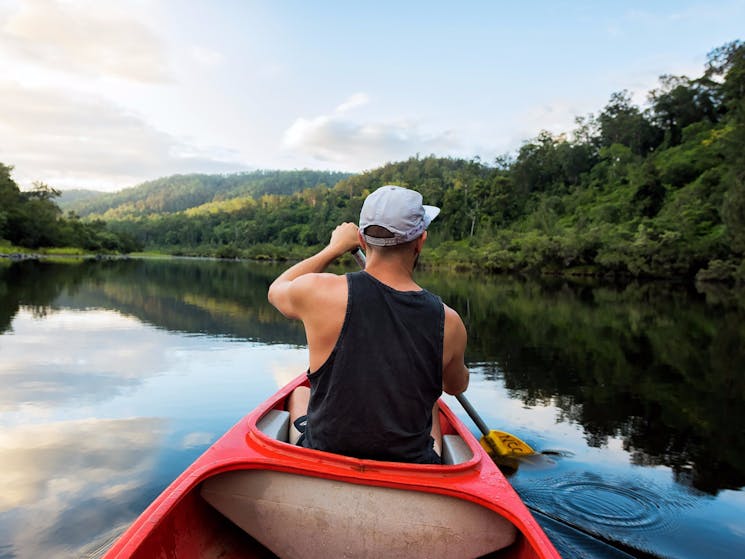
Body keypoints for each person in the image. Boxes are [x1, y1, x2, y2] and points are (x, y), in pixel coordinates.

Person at [267, 185, 469, 464]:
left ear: (362, 240)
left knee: (300, 393)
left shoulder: (319, 291)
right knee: (433, 404)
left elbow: (277, 289)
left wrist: (334, 249)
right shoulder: (449, 321)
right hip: (409, 466)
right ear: (421, 240)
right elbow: (455, 387)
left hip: (328, 455)